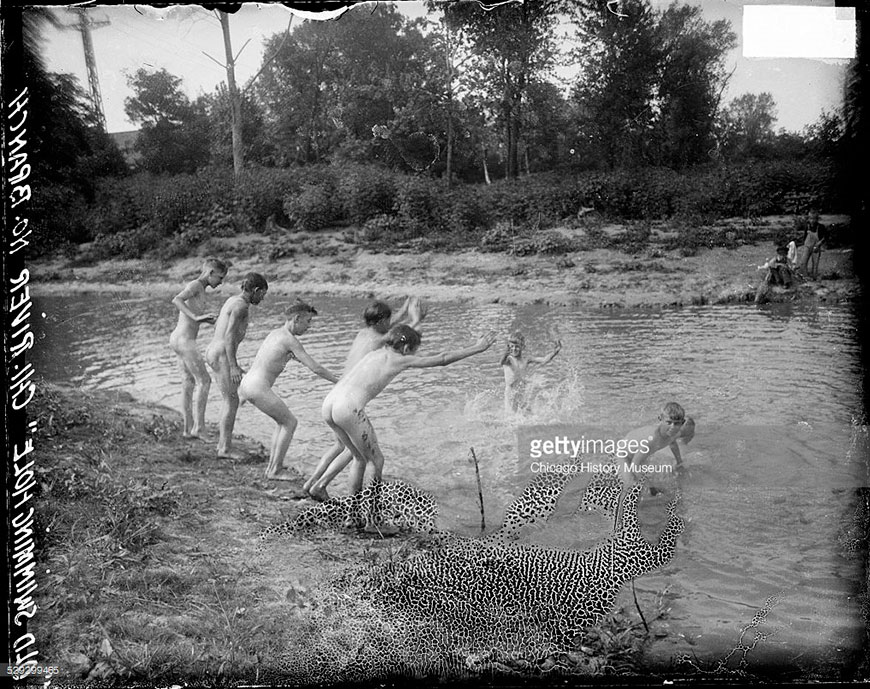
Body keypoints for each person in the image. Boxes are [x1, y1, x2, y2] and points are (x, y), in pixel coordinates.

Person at [321, 324, 496, 532]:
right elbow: (442, 359)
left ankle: (352, 517)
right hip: (347, 408)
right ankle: (374, 521)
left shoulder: (376, 352)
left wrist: (414, 321)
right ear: (406, 349)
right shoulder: (399, 359)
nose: (413, 354)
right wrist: (477, 347)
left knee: (359, 458)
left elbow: (398, 334)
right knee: (376, 461)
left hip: (329, 403)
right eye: (414, 350)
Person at [303, 297, 427, 500]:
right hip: (348, 399)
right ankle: (322, 486)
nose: (391, 322)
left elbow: (390, 329)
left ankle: (312, 484)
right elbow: (399, 337)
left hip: (337, 395)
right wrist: (414, 319)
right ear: (380, 322)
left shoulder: (365, 333)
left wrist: (403, 311)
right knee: (356, 454)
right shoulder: (376, 341)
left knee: (342, 447)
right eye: (388, 319)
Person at [238, 300, 339, 481]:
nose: (309, 326)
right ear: (297, 318)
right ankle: (275, 470)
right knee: (290, 423)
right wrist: (339, 382)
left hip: (247, 384)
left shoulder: (276, 334)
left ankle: (272, 467)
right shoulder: (290, 340)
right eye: (308, 321)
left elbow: (276, 357)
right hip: (257, 387)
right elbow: (315, 368)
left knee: (282, 422)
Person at [205, 272, 269, 458]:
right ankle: (224, 449)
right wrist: (233, 366)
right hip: (221, 354)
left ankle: (224, 443)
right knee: (231, 400)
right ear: (256, 290)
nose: (262, 299)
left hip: (214, 350)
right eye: (262, 294)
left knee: (233, 396)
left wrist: (235, 364)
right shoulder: (241, 307)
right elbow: (229, 336)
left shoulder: (233, 300)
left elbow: (221, 326)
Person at [168, 258, 229, 439]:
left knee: (188, 382)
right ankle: (199, 428)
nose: (221, 282)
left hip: (179, 339)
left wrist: (206, 319)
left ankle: (188, 429)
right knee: (205, 381)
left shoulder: (201, 289)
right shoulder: (195, 285)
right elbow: (177, 299)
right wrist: (196, 317)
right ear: (210, 273)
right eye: (220, 277)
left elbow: (192, 316)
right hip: (185, 342)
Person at [622, 402, 694, 478]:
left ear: (682, 423)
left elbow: (672, 443)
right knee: (632, 484)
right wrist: (647, 486)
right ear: (660, 419)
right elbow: (634, 466)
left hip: (637, 455)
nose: (672, 427)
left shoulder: (673, 433)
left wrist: (679, 462)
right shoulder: (651, 439)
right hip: (623, 455)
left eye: (676, 424)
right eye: (669, 422)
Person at [500, 332, 561, 413]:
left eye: (517, 347)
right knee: (511, 414)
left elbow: (544, 360)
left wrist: (555, 352)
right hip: (511, 392)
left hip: (521, 390)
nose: (514, 349)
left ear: (522, 347)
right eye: (512, 347)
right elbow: (501, 362)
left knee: (527, 412)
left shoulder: (526, 359)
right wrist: (505, 353)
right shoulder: (509, 359)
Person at [795, 209, 826, 279]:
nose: (812, 220)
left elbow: (825, 237)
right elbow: (805, 237)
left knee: (815, 263)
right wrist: (803, 245)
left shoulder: (821, 227)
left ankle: (814, 278)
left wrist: (819, 244)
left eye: (813, 219)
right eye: (810, 218)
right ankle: (805, 277)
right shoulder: (807, 226)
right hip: (807, 246)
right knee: (803, 262)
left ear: (817, 219)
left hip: (816, 247)